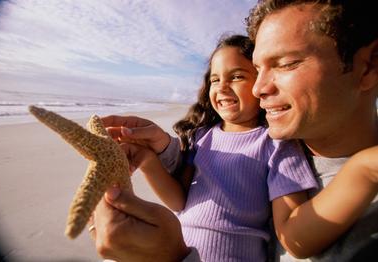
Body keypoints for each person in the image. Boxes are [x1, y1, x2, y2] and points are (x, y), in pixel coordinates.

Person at [89, 0, 378, 261]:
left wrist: (173, 256)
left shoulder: (279, 146)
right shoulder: (208, 137)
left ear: (369, 67)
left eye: (287, 63)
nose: (259, 88)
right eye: (257, 69)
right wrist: (153, 156)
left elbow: (293, 236)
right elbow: (184, 194)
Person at [121, 34, 318, 261]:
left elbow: (290, 232)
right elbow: (179, 201)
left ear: (260, 83)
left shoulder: (276, 143)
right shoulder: (202, 137)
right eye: (215, 80)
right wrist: (147, 161)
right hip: (178, 252)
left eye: (236, 76)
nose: (222, 87)